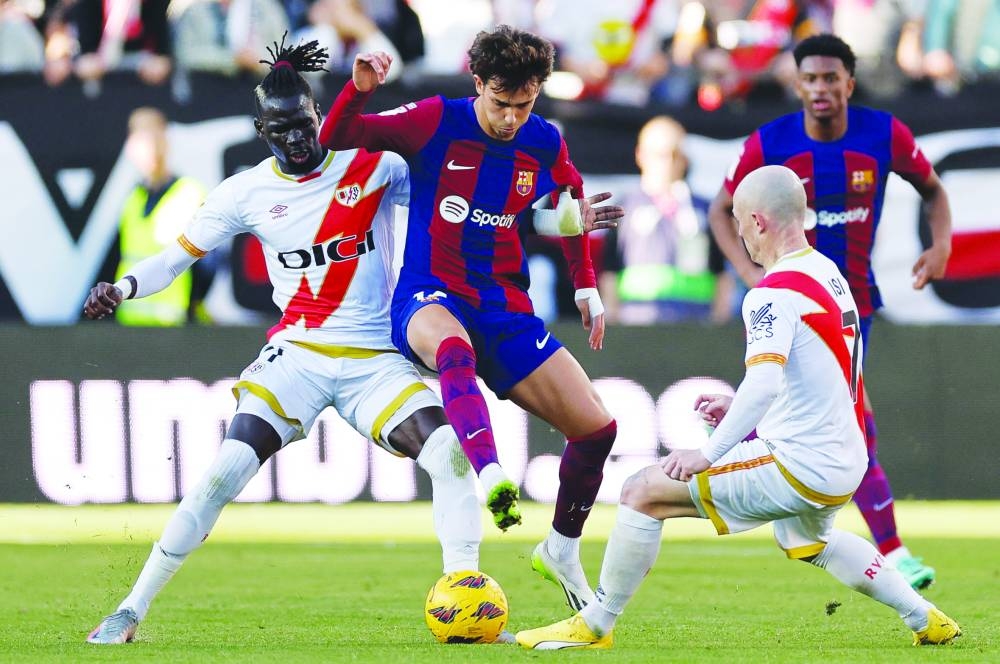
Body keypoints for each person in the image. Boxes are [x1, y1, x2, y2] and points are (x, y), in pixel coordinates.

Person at [84, 38, 482, 645]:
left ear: (319, 114)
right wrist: (123, 287)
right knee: (224, 473)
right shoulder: (244, 193)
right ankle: (130, 609)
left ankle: (467, 601)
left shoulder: (375, 164)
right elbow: (173, 259)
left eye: (303, 123)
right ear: (260, 130)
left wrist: (539, 207)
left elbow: (455, 203)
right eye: (280, 129)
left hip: (375, 358)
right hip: (297, 355)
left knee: (449, 452)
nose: (295, 138)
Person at [516, 165, 961, 650]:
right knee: (810, 541)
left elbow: (764, 383)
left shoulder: (771, 293)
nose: (740, 236)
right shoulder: (826, 271)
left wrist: (707, 454)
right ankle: (924, 616)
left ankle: (595, 624)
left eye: (740, 223)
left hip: (800, 463)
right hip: (845, 459)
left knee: (642, 491)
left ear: (758, 221)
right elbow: (816, 375)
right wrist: (738, 405)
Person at [318, 25, 625, 612]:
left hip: (503, 305)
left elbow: (569, 209)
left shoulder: (543, 140)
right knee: (453, 351)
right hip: (429, 293)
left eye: (524, 104)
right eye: (501, 102)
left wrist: (586, 286)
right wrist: (358, 90)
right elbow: (338, 136)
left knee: (597, 431)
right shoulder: (435, 119)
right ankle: (491, 477)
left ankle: (561, 549)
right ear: (477, 82)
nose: (511, 118)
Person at [706, 33, 952, 590]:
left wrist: (940, 247)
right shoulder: (769, 142)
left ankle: (749, 462)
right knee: (848, 418)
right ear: (796, 85)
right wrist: (750, 273)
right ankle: (892, 551)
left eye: (830, 78)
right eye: (810, 79)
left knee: (840, 416)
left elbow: (933, 190)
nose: (821, 88)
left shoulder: (884, 133)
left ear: (849, 83)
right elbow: (721, 210)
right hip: (791, 302)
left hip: (851, 304)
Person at [599, 115, 733, 325]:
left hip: (695, 326)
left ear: (685, 159)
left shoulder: (705, 210)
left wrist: (718, 322)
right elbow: (610, 272)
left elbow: (722, 273)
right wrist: (613, 322)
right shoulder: (624, 208)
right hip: (636, 325)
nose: (668, 163)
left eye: (675, 155)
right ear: (641, 155)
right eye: (660, 155)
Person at [115, 107, 208, 326]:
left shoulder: (189, 193)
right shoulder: (134, 197)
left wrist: (192, 312)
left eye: (150, 138)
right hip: (130, 321)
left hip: (173, 325)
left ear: (164, 141)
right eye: (137, 138)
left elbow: (207, 266)